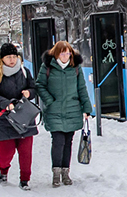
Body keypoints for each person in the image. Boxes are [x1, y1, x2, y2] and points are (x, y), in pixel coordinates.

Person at [36, 40, 94, 187]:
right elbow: (40, 85)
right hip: (54, 110)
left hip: (72, 109)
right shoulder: (47, 67)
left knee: (68, 142)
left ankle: (65, 172)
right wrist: (49, 101)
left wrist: (87, 108)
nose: (66, 56)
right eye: (63, 53)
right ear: (56, 54)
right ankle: (56, 172)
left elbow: (82, 88)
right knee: (58, 141)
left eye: (68, 53)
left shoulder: (75, 68)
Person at [0, 42, 37, 189]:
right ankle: (3, 171)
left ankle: (25, 180)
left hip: (24, 117)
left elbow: (34, 87)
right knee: (6, 153)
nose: (12, 60)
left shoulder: (24, 71)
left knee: (26, 152)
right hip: (4, 119)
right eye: (8, 57)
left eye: (14, 56)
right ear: (2, 59)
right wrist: (5, 103)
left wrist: (29, 93)